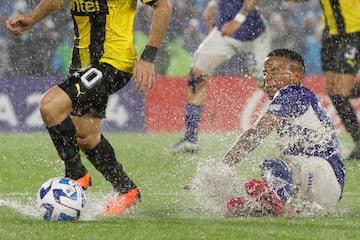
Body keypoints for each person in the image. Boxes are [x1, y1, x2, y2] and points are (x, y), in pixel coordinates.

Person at [6, 0, 171, 215]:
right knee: (86, 136)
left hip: (113, 62)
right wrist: (31, 19)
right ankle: (126, 190)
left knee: (51, 106)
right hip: (83, 64)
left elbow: (163, 6)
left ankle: (76, 175)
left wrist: (148, 57)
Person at [222, 49, 345, 217]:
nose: (267, 78)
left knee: (272, 166)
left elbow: (256, 132)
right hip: (321, 186)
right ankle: (272, 207)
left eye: (275, 71)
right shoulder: (298, 99)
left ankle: (280, 206)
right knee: (268, 179)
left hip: (324, 176)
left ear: (296, 76)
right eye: (265, 72)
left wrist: (221, 167)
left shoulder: (293, 92)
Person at [167, 0, 271, 153]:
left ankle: (293, 122)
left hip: (253, 36)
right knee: (196, 76)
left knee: (268, 84)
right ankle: (190, 140)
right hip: (224, 30)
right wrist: (212, 5)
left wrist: (238, 20)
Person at [318, 0, 360, 160]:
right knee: (333, 91)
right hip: (330, 33)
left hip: (354, 31)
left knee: (343, 90)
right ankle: (358, 139)